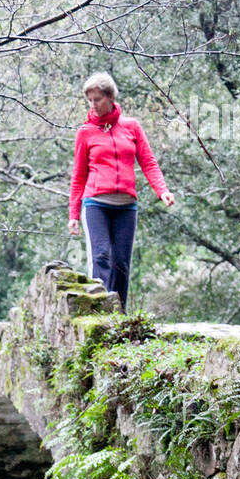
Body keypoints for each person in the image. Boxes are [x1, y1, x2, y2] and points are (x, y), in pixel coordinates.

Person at [69, 72, 174, 309]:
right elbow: (78, 177)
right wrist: (73, 215)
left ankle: (119, 312)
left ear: (110, 97)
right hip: (96, 203)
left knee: (121, 263)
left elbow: (148, 162)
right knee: (101, 257)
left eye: (97, 99)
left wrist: (162, 190)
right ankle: (101, 310)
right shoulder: (85, 132)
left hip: (126, 205)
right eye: (90, 100)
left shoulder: (132, 127)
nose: (93, 105)